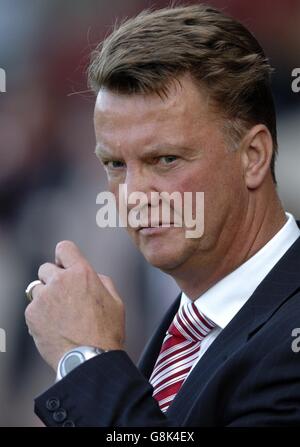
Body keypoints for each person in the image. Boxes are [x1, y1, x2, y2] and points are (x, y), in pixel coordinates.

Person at [25, 4, 300, 426]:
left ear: (253, 157)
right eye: (115, 164)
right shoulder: (189, 323)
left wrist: (85, 358)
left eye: (166, 159)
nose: (134, 195)